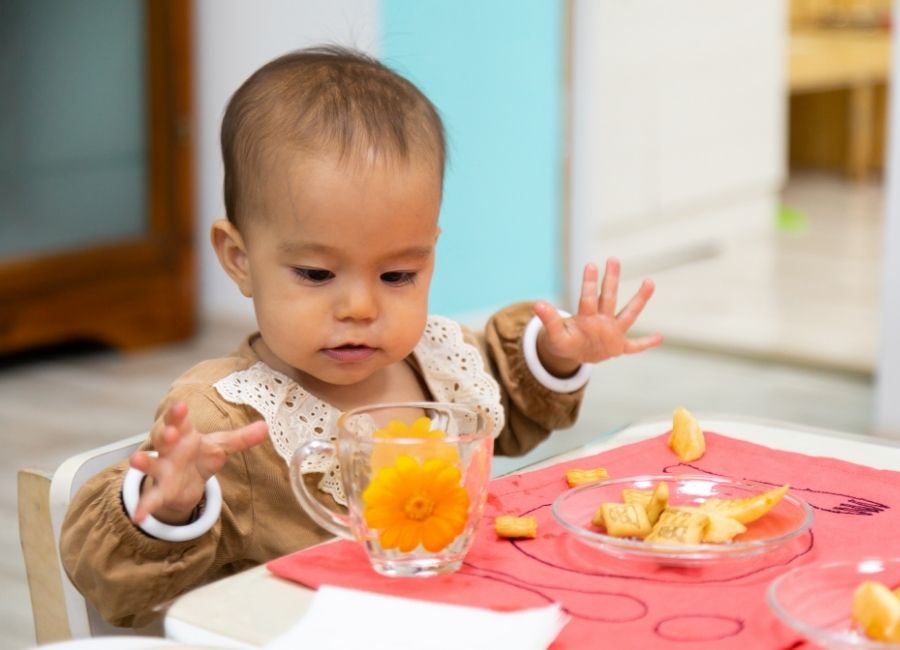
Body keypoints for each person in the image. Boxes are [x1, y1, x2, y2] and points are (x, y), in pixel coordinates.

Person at [60, 46, 661, 628]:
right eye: (317, 274)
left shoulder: (439, 362)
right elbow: (111, 585)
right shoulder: (229, 422)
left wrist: (557, 352)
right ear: (239, 258)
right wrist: (169, 507)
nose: (359, 307)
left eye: (398, 274)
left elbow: (512, 404)